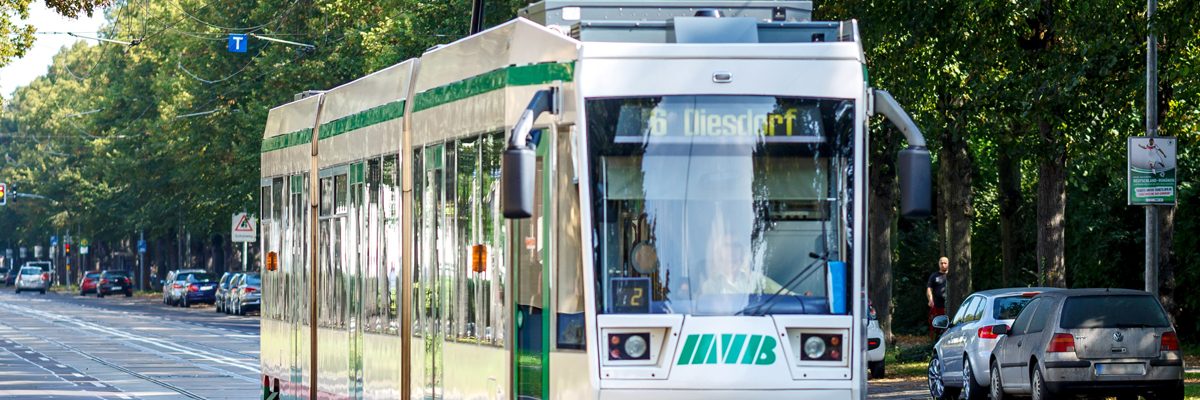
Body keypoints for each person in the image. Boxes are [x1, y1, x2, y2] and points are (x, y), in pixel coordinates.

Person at [926, 256, 948, 339]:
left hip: (949, 305)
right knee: (935, 325)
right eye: (941, 263)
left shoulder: (951, 276)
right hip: (937, 306)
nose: (943, 264)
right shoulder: (934, 276)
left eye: (945, 263)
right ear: (938, 264)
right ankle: (933, 343)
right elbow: (929, 289)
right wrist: (930, 299)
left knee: (947, 325)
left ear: (948, 264)